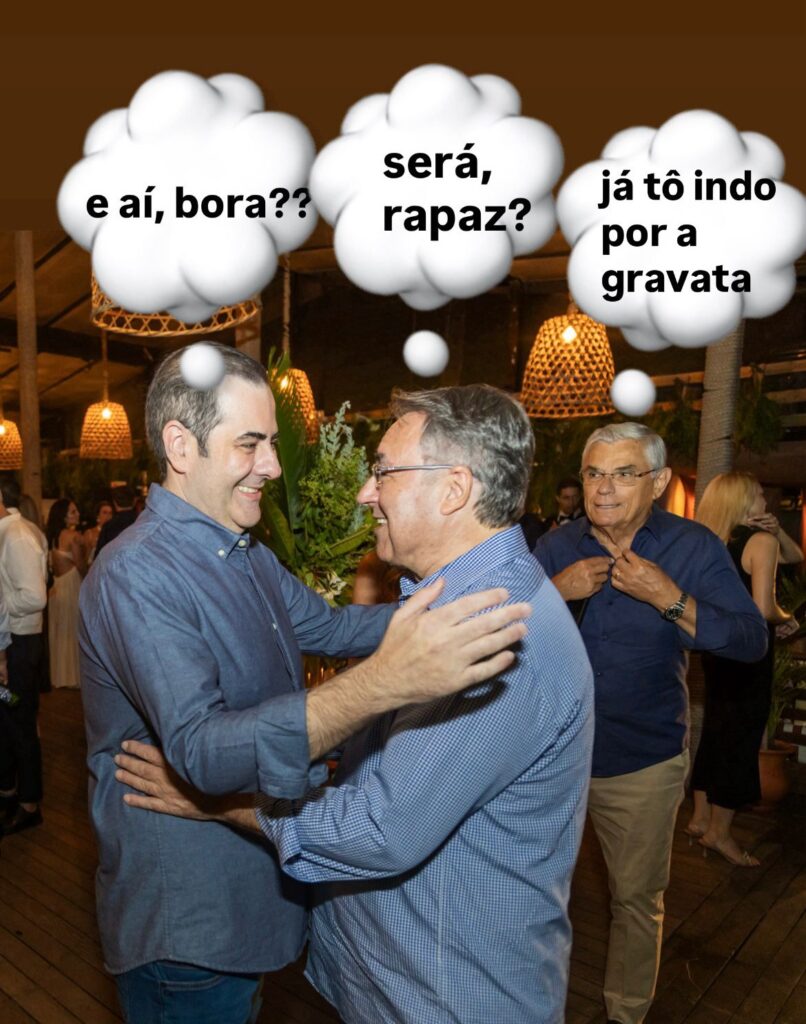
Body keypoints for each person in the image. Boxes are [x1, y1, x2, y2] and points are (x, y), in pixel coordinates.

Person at [117, 383, 594, 1024]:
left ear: (453, 490)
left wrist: (221, 801)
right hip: (404, 982)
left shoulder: (490, 634)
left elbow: (376, 829)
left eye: (384, 473)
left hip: (445, 997)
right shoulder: (459, 608)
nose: (367, 493)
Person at [532, 423, 768, 1024]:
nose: (603, 488)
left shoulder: (693, 548)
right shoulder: (555, 548)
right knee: (530, 894)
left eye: (622, 474)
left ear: (658, 482)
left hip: (641, 760)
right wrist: (552, 593)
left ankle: (625, 1014)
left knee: (635, 900)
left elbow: (750, 639)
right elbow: (495, 629)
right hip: (546, 760)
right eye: (593, 474)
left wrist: (670, 598)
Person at [688, 472, 803, 865]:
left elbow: (794, 556)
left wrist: (777, 531)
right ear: (742, 500)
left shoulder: (710, 542)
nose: (765, 501)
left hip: (716, 649)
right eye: (758, 495)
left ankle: (700, 819)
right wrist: (786, 617)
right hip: (749, 652)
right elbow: (763, 608)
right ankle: (720, 833)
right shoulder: (760, 542)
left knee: (716, 730)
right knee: (740, 738)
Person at [0, 476, 48, 835]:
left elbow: (35, 596)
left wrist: (1, 606)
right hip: (10, 642)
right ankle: (9, 790)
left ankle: (30, 804)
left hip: (19, 643)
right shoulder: (10, 532)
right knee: (7, 716)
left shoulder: (16, 536)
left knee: (19, 720)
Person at [45, 498, 87, 689]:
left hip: (56, 586)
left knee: (60, 630)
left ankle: (59, 674)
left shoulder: (52, 537)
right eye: (72, 511)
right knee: (73, 629)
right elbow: (80, 564)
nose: (77, 514)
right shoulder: (74, 536)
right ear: (63, 516)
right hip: (72, 584)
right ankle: (73, 676)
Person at [93, 484, 137, 558]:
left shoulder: (108, 527)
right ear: (134, 501)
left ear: (114, 502)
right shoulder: (142, 522)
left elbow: (100, 556)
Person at [83, 499, 114, 565]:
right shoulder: (89, 533)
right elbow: (86, 559)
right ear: (98, 515)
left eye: (110, 513)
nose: (108, 516)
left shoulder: (114, 533)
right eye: (105, 512)